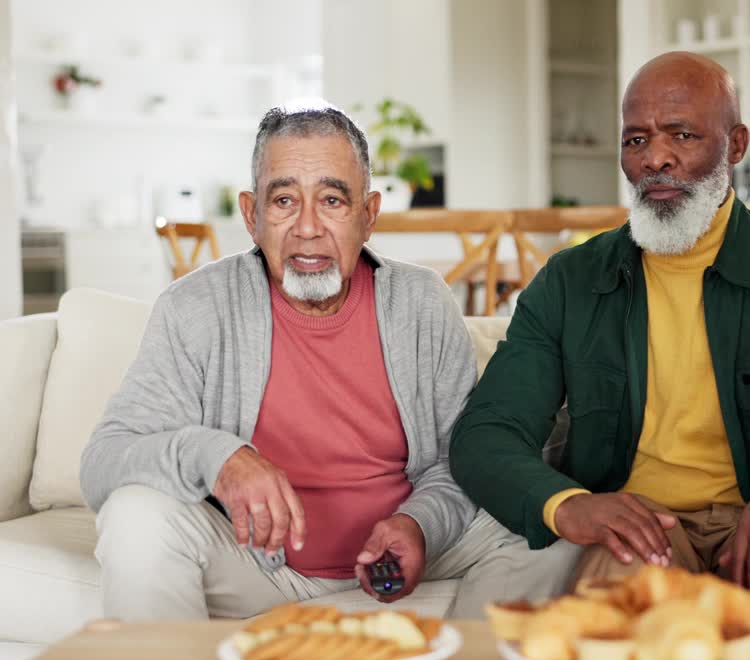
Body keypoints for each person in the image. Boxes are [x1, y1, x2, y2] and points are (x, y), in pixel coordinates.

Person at [449, 53, 750, 620]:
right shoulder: (571, 280)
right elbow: (485, 435)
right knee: (623, 605)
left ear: (735, 145)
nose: (656, 157)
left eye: (682, 134)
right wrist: (568, 505)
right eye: (636, 140)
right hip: (638, 524)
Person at [81, 102, 579, 622]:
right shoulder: (196, 307)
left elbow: (462, 460)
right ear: (252, 215)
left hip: (411, 555)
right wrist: (217, 456)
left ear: (368, 215)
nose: (308, 227)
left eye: (333, 199)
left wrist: (419, 524)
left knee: (551, 527)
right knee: (134, 514)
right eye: (284, 200)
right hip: (256, 567)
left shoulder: (421, 301)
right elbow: (103, 462)